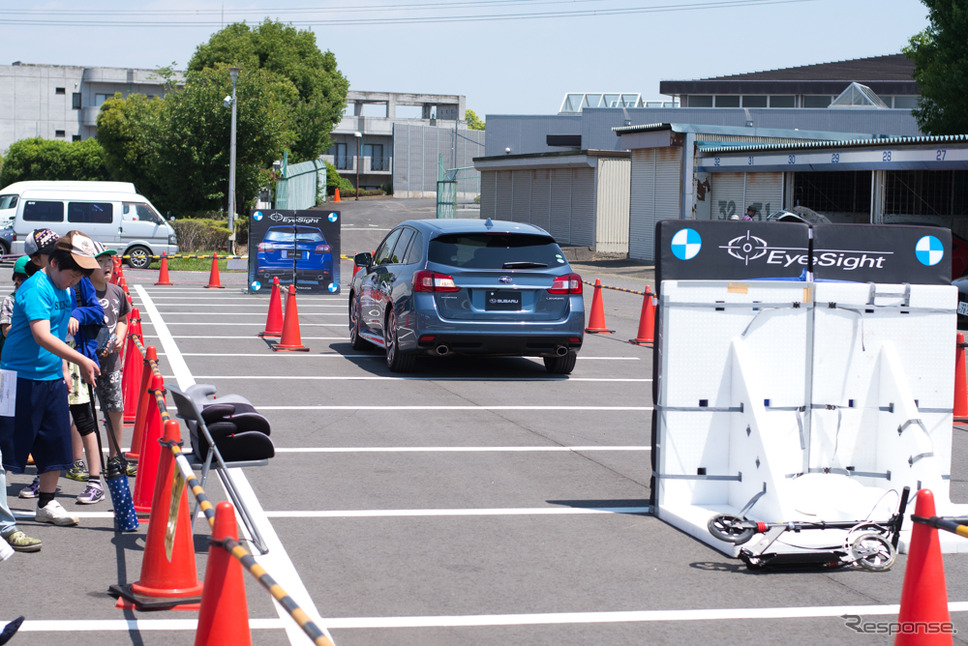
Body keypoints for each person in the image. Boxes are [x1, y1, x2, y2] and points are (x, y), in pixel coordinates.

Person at [0, 231, 101, 533]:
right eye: (73, 273)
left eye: (81, 275)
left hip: (51, 377)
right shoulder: (36, 288)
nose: (75, 280)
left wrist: (65, 369)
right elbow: (42, 335)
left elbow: (57, 335)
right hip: (16, 377)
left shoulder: (66, 289)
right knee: (8, 444)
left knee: (54, 443)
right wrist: (81, 359)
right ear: (54, 262)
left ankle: (46, 503)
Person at [91, 242, 133, 477]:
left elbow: (124, 319)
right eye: (100, 262)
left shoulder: (117, 292)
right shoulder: (80, 291)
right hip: (85, 363)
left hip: (111, 363)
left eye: (109, 261)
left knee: (115, 409)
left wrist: (120, 336)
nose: (107, 265)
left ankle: (115, 458)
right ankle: (78, 460)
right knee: (82, 413)